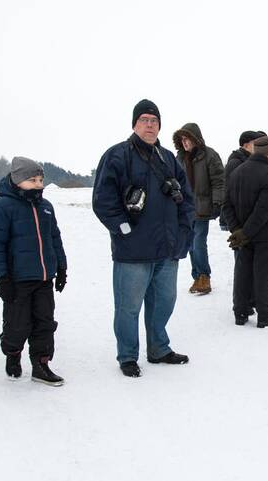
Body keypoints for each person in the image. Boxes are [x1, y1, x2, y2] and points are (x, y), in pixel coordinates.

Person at [92, 99, 194, 378]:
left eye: (155, 121)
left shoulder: (169, 159)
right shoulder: (117, 155)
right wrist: (122, 228)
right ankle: (127, 356)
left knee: (165, 301)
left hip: (167, 249)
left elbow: (187, 200)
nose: (150, 125)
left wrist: (183, 234)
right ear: (135, 124)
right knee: (128, 307)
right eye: (144, 120)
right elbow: (103, 199)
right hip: (133, 249)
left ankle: (159, 348)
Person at [0, 157, 67, 386]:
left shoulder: (45, 207)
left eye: (40, 179)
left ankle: (41, 364)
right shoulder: (2, 207)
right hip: (17, 280)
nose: (38, 184)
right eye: (32, 180)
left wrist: (61, 267)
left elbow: (55, 239)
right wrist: (2, 278)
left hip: (43, 278)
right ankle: (13, 355)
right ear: (17, 180)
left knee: (45, 322)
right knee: (17, 323)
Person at [223, 135, 268, 327]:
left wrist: (238, 231)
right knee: (263, 274)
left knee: (242, 273)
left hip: (243, 236)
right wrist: (246, 232)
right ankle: (264, 315)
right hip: (264, 235)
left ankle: (240, 313)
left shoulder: (237, 171)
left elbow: (227, 205)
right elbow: (264, 210)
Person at [173, 122, 225, 295]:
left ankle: (204, 276)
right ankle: (197, 277)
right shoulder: (179, 158)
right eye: (183, 140)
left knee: (198, 243)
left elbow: (219, 180)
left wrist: (218, 202)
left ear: (196, 139)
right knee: (189, 244)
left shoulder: (209, 155)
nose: (185, 143)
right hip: (185, 208)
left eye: (188, 139)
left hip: (203, 207)